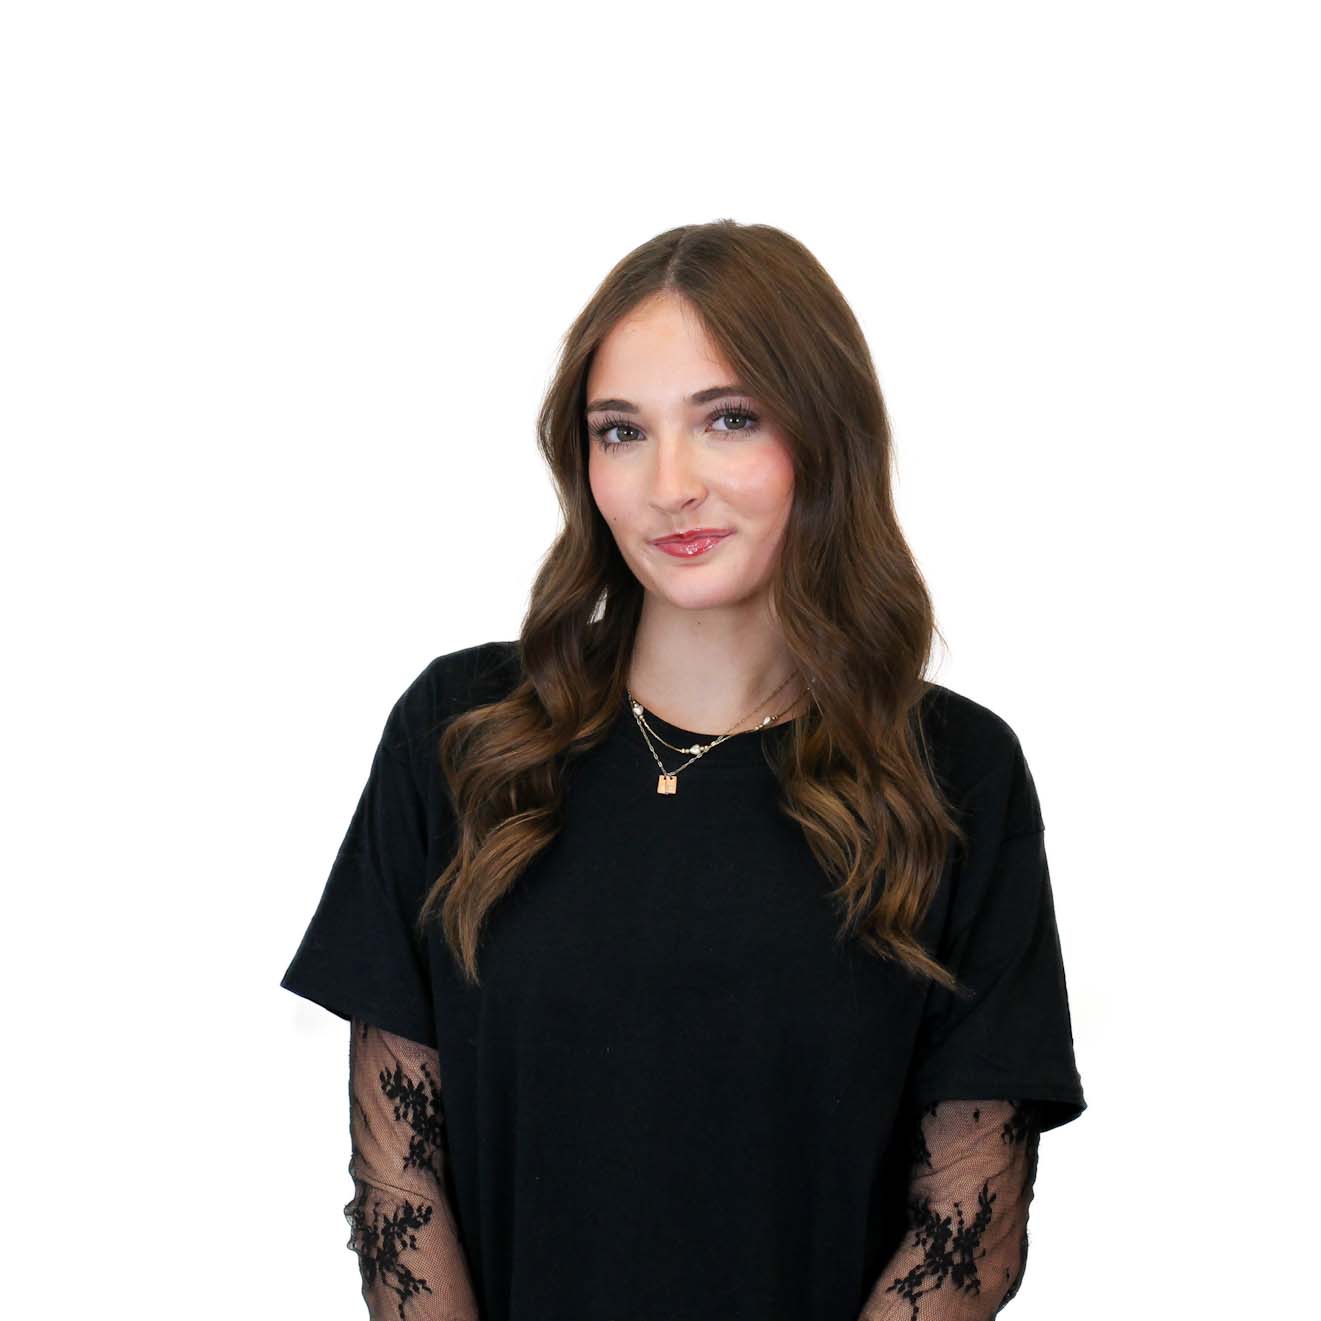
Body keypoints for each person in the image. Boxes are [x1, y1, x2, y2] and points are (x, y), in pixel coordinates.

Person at [280, 220, 1087, 1321]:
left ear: (824, 434)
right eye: (621, 431)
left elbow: (969, 1218)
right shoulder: (463, 734)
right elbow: (397, 1180)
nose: (670, 484)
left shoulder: (951, 773)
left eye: (728, 420)